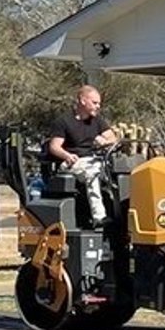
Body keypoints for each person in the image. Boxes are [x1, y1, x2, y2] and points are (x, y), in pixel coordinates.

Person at [44, 84, 121, 227]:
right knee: (92, 173)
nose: (98, 106)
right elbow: (54, 147)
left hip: (95, 160)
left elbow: (112, 138)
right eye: (95, 103)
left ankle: (119, 213)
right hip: (73, 162)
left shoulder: (97, 120)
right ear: (82, 100)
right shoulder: (64, 121)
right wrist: (67, 155)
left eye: (99, 103)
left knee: (116, 173)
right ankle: (99, 217)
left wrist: (104, 141)